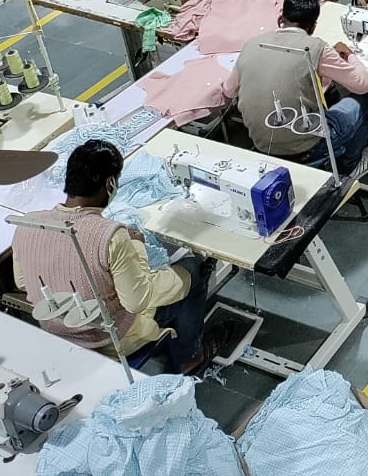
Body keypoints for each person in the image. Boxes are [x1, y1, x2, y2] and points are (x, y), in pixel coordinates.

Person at [11, 140, 216, 373]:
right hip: (110, 338)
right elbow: (137, 301)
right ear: (110, 184)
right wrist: (137, 246)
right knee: (194, 268)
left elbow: (22, 282)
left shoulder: (27, 223)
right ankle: (190, 356)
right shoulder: (111, 235)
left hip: (56, 329)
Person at [228, 0, 368, 175]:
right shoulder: (315, 48)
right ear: (314, 26)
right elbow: (361, 84)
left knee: (326, 92)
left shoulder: (252, 44)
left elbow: (229, 91)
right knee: (367, 98)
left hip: (261, 143)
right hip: (306, 147)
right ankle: (349, 166)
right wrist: (349, 54)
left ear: (280, 18)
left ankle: (360, 139)